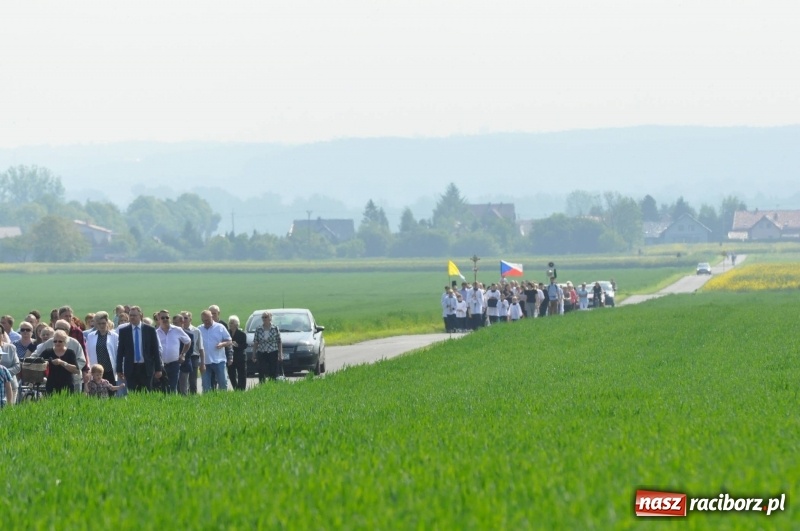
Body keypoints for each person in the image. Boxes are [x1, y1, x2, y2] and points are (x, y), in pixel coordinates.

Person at [116, 306, 163, 392]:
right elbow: (120, 351)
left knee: (147, 392)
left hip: (146, 367)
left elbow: (155, 350)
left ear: (141, 315)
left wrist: (158, 368)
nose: (132, 317)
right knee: (132, 393)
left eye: (134, 315)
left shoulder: (150, 330)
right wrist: (119, 369)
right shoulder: (124, 331)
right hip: (131, 368)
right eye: (130, 315)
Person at [155, 309, 191, 393]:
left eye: (166, 317)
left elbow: (188, 341)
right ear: (158, 319)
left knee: (173, 387)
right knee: (162, 388)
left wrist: (183, 354)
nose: (165, 320)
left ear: (169, 318)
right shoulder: (155, 332)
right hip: (161, 365)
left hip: (174, 364)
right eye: (162, 318)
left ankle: (173, 404)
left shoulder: (177, 330)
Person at [84, 311, 120, 388]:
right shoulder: (90, 336)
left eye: (103, 323)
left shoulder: (114, 336)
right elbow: (87, 353)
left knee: (111, 391)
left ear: (107, 322)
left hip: (109, 369)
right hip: (96, 371)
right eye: (99, 323)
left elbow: (117, 353)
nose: (101, 325)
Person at [199, 310, 232, 392]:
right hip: (205, 362)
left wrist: (222, 344)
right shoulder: (199, 329)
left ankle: (223, 400)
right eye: (204, 320)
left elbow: (229, 341)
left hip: (219, 360)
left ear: (212, 317)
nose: (206, 322)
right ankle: (208, 401)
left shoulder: (220, 327)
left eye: (207, 320)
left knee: (223, 383)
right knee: (206, 385)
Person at [40, 330, 79, 395]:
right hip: (51, 384)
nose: (57, 343)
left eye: (60, 341)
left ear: (65, 342)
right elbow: (39, 362)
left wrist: (62, 363)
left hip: (67, 385)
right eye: (55, 341)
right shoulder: (47, 352)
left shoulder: (70, 353)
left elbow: (76, 370)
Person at [252, 311, 282, 383]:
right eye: (263, 317)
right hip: (262, 352)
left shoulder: (275, 328)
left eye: (266, 317)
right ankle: (262, 385)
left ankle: (272, 385)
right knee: (261, 370)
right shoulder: (258, 329)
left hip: (273, 352)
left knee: (273, 371)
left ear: (270, 318)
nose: (264, 318)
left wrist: (280, 354)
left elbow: (279, 341)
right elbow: (256, 342)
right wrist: (254, 354)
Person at [179, 311, 204, 395]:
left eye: (186, 318)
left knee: (193, 381)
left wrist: (202, 363)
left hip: (193, 357)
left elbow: (200, 347)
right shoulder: (177, 330)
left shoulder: (196, 331)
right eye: (182, 318)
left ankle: (193, 398)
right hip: (180, 357)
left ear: (190, 319)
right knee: (182, 381)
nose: (184, 320)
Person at [227, 315, 248, 391]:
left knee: (241, 374)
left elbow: (245, 345)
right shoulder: (227, 333)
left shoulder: (242, 334)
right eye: (229, 322)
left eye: (232, 323)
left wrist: (237, 345)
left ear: (236, 324)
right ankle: (235, 388)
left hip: (240, 357)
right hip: (230, 357)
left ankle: (241, 389)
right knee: (231, 374)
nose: (230, 324)